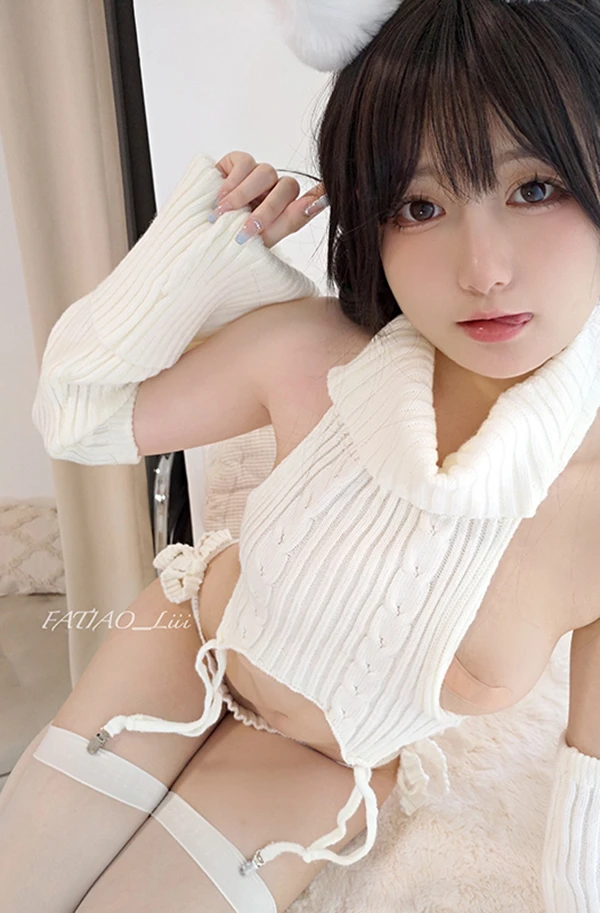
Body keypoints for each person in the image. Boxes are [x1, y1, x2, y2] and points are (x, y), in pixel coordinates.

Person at [1, 0, 600, 910]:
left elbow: (591, 789)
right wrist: (196, 249)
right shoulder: (320, 355)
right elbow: (77, 419)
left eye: (535, 188)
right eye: (421, 205)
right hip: (186, 647)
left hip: (322, 765)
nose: (483, 269)